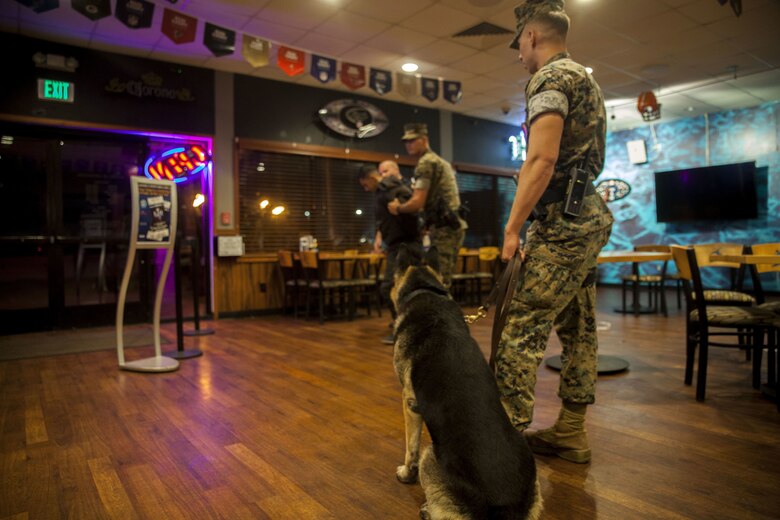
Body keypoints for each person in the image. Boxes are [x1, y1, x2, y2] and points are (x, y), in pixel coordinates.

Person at [495, 0, 614, 464]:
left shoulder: (548, 78)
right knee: (579, 326)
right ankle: (570, 431)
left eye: (518, 47)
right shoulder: (586, 78)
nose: (519, 56)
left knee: (519, 329)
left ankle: (500, 453)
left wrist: (511, 229)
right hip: (586, 217)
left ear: (531, 36)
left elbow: (541, 160)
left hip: (563, 225)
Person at [388, 123, 466, 288]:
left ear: (424, 140)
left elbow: (417, 203)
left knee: (438, 281)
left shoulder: (426, 162)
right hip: (450, 225)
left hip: (445, 226)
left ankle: (440, 313)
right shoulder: (439, 161)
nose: (408, 144)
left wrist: (397, 208)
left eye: (412, 140)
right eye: (406, 142)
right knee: (442, 278)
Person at [358, 163, 420, 344]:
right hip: (395, 245)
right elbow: (384, 218)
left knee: (391, 288)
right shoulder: (380, 192)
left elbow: (413, 209)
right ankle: (404, 325)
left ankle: (403, 329)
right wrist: (380, 236)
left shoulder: (390, 189)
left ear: (370, 178)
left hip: (406, 246)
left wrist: (400, 208)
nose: (365, 189)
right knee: (398, 289)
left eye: (364, 184)